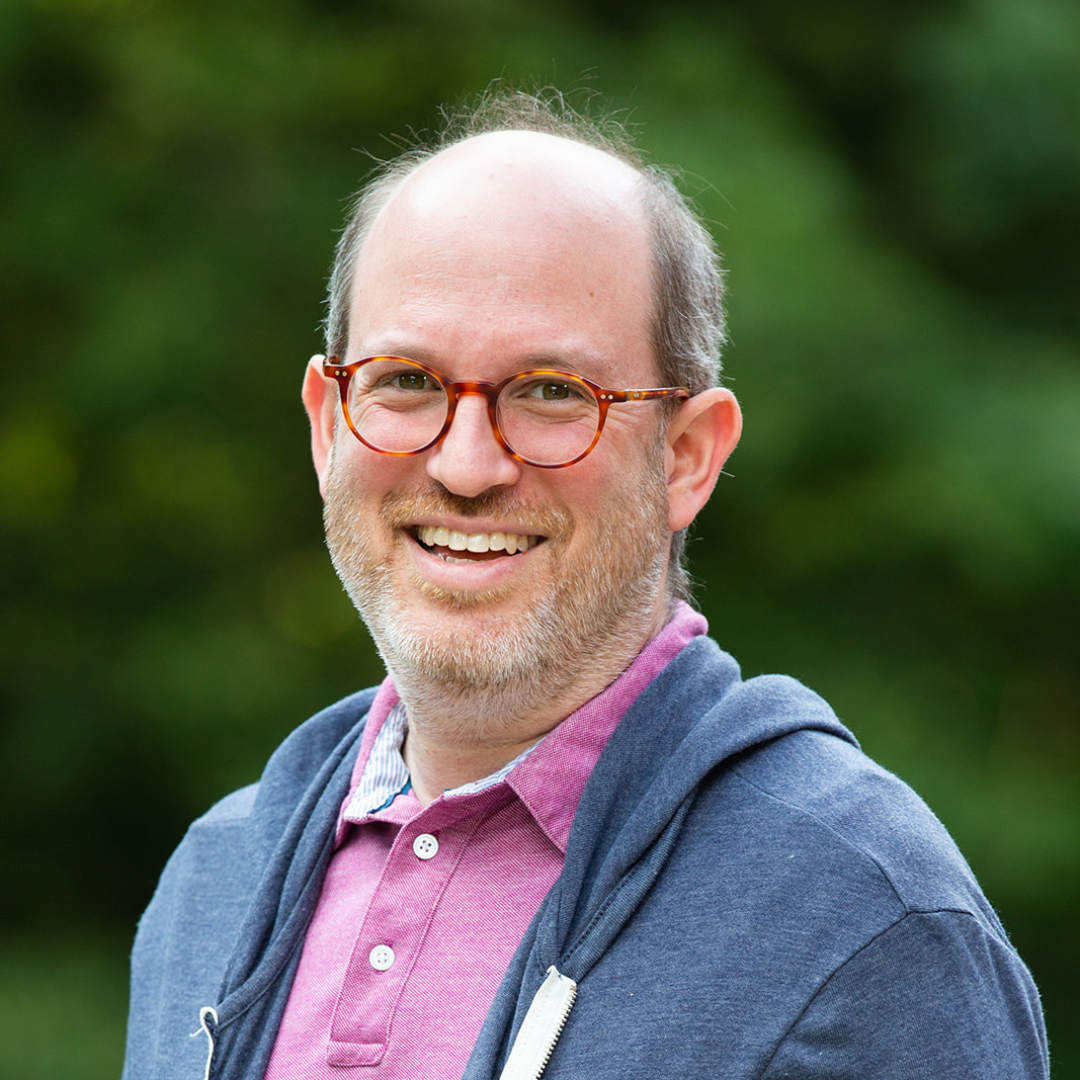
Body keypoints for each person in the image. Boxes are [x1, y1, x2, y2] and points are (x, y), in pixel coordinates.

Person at [122, 91, 1049, 1080]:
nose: (467, 466)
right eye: (405, 381)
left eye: (553, 392)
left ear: (687, 456)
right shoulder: (213, 884)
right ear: (326, 425)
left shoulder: (859, 920)